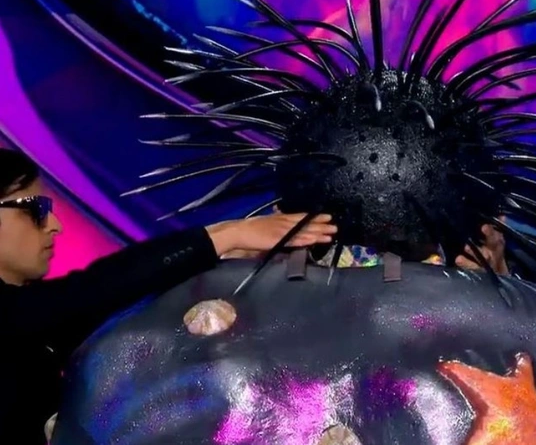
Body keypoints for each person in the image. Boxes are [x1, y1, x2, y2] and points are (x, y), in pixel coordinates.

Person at [0, 148, 338, 444]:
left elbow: (116, 303)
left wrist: (233, 256)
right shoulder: (23, 315)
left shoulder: (34, 330)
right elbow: (90, 292)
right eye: (35, 208)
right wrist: (226, 235)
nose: (54, 224)